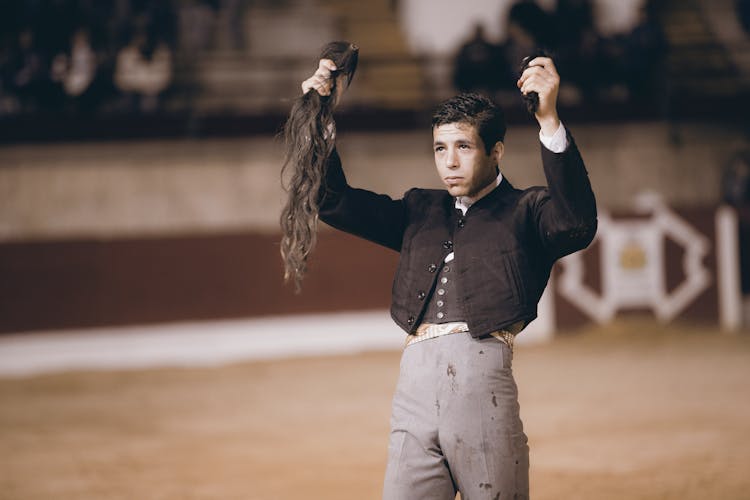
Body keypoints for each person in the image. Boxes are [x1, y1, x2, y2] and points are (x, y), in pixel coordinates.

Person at [300, 54, 597, 499]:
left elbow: (576, 223)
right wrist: (322, 115)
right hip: (412, 391)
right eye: (441, 148)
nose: (450, 163)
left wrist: (549, 120)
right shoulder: (421, 209)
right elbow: (333, 201)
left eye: (464, 147)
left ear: (495, 151)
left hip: (483, 389)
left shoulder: (526, 210)